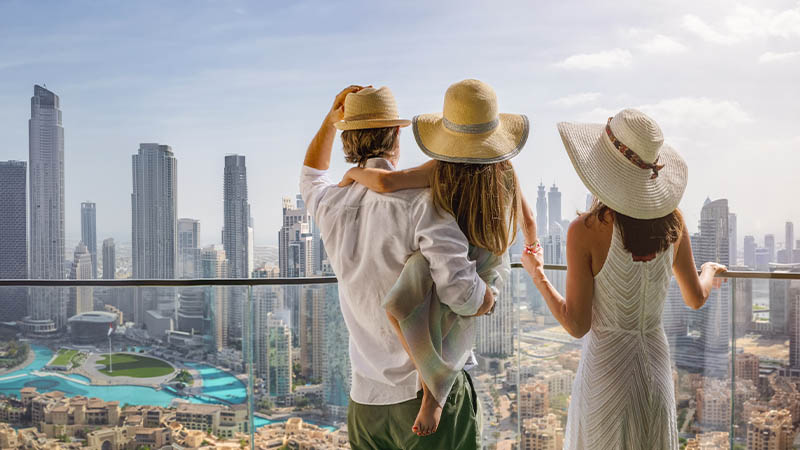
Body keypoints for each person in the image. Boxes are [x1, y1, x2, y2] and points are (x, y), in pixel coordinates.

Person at [300, 85, 495, 450]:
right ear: (397, 135)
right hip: (425, 392)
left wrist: (330, 121)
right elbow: (460, 293)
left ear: (347, 140)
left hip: (366, 401)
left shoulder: (330, 204)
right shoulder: (421, 202)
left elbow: (311, 174)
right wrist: (488, 297)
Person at [339, 79, 537, 437]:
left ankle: (433, 393)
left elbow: (385, 184)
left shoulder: (440, 169)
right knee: (449, 319)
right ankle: (435, 391)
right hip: (486, 261)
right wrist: (533, 250)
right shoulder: (505, 169)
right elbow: (529, 219)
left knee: (401, 307)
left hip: (460, 262)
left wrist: (353, 172)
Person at [521, 108, 727, 449]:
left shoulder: (585, 231)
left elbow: (577, 324)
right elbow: (695, 298)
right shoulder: (674, 222)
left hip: (606, 370)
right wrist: (708, 271)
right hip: (656, 366)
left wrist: (538, 275)